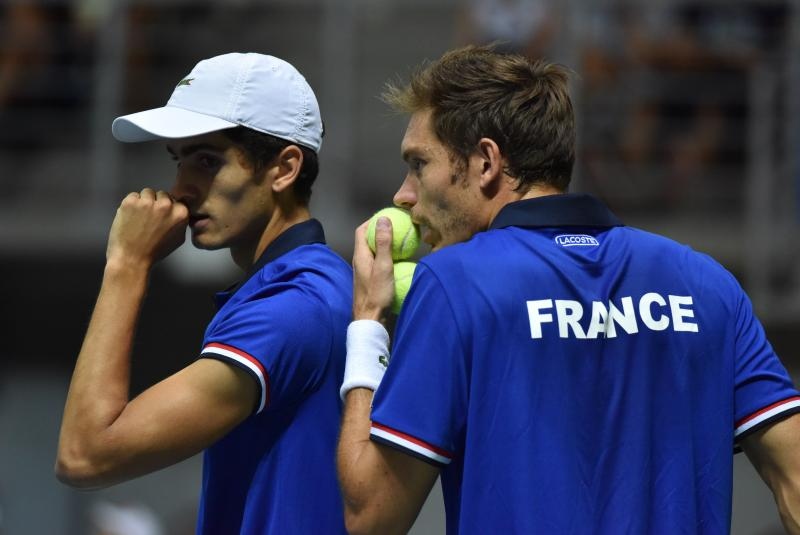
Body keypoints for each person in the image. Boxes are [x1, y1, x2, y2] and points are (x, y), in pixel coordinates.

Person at [336, 45, 800, 534]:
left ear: (486, 162)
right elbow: (794, 479)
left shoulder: (453, 284)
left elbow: (370, 517)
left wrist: (367, 324)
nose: (403, 195)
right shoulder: (707, 283)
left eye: (418, 164)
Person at [55, 52, 351, 534]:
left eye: (207, 161)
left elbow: (85, 455)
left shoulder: (295, 307)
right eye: (179, 161)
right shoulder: (301, 288)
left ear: (284, 168)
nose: (181, 189)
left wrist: (126, 265)